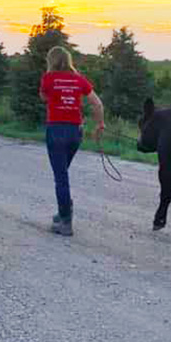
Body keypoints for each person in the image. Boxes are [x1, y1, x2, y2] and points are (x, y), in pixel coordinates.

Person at [39, 46, 105, 236]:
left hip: (56, 131)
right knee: (62, 173)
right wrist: (100, 124)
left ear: (51, 61)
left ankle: (66, 222)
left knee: (61, 178)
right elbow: (97, 103)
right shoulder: (79, 80)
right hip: (75, 132)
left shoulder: (48, 79)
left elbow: (44, 97)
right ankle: (63, 212)